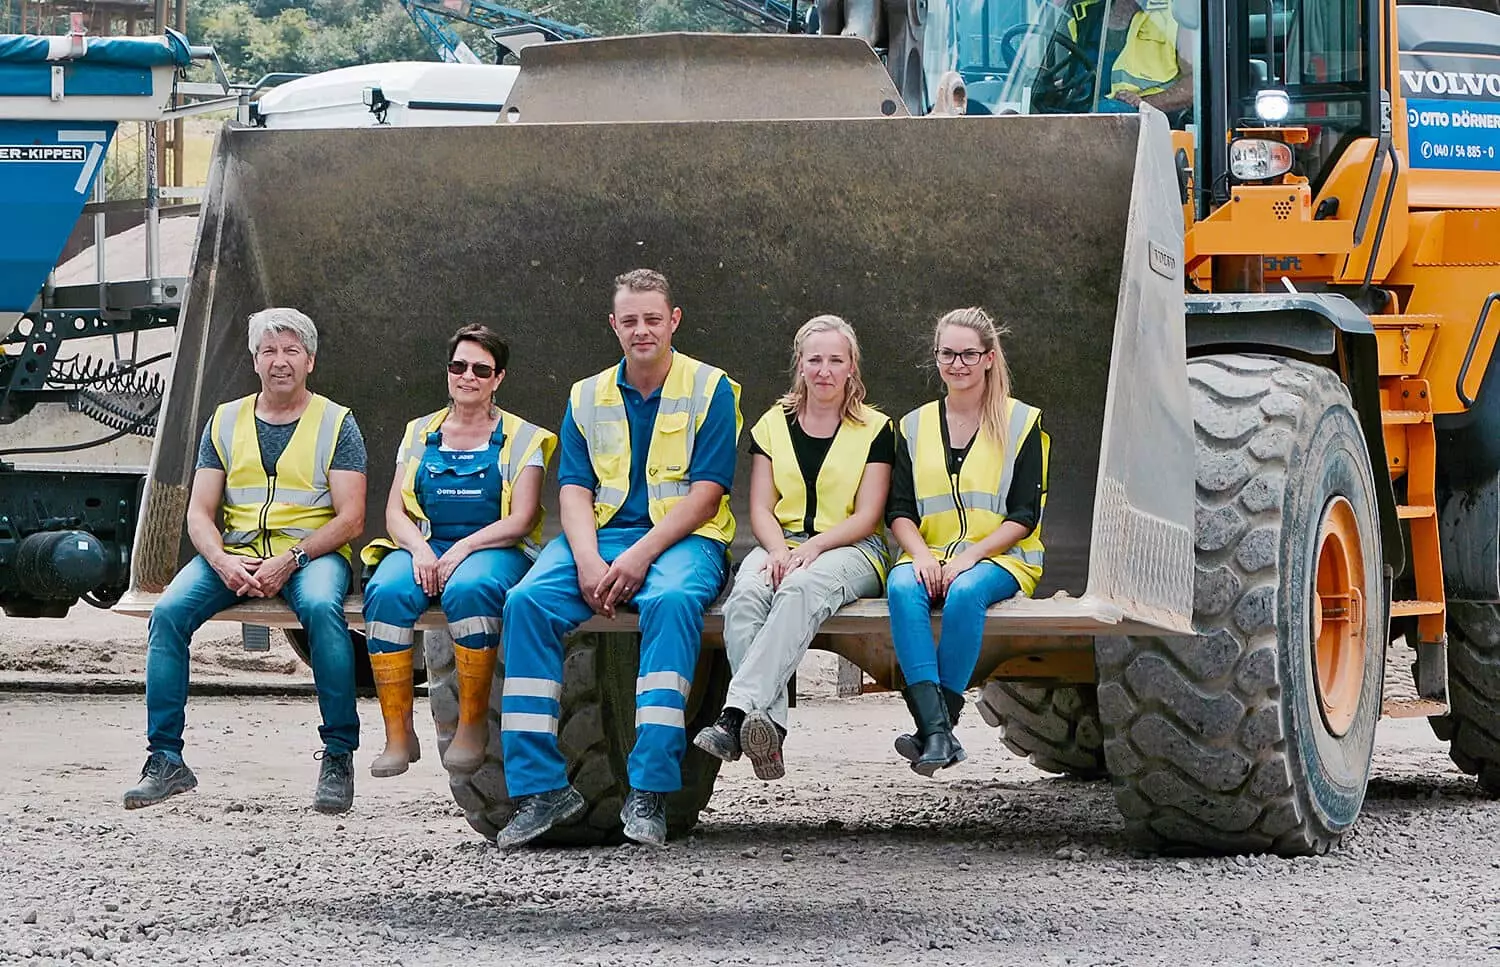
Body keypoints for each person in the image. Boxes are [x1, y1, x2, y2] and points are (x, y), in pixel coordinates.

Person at [493, 269, 742, 850]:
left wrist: (638, 557)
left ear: (674, 320)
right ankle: (541, 789)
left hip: (685, 538)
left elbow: (707, 495)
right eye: (630, 320)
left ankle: (649, 789)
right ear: (613, 325)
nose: (641, 330)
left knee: (672, 601)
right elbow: (574, 489)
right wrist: (585, 559)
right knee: (527, 602)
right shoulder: (586, 394)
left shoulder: (711, 388)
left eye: (653, 318)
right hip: (600, 538)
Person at [124, 307, 367, 813]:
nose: (280, 361)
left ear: (310, 361)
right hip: (236, 551)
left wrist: (291, 558)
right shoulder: (225, 420)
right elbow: (199, 512)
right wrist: (220, 560)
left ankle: (338, 755)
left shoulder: (337, 422)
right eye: (269, 351)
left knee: (321, 610)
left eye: (291, 351)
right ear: (255, 361)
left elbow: (351, 519)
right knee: (167, 614)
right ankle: (165, 760)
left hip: (311, 553)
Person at [692, 315, 893, 781]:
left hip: (853, 548)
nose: (824, 370)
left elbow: (867, 516)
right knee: (746, 596)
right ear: (800, 364)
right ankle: (770, 727)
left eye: (836, 360)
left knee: (799, 589)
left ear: (852, 366)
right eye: (815, 359)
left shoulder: (877, 428)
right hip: (781, 541)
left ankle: (735, 715)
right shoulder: (772, 424)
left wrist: (812, 549)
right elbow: (761, 508)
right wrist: (779, 550)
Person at [359, 324, 557, 778]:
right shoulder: (418, 432)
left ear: (498, 378)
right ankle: (397, 733)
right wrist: (419, 550)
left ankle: (471, 725)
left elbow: (522, 519)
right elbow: (393, 513)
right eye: (458, 366)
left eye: (481, 370)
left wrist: (462, 549)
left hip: (494, 548)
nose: (467, 376)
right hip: (427, 545)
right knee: (386, 591)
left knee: (470, 590)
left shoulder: (524, 437)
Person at [885, 307, 1049, 777]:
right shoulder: (912, 426)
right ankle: (938, 734)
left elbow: (1024, 516)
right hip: (929, 551)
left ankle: (938, 728)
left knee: (965, 592)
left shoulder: (1021, 422)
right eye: (947, 354)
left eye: (968, 354)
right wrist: (920, 555)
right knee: (902, 588)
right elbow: (899, 511)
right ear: (936, 356)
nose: (957, 364)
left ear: (989, 358)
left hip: (1002, 557)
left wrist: (970, 558)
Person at [1094, 0, 1195, 115]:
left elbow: (1193, 85)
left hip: (1151, 118)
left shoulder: (1177, 15)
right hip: (1089, 111)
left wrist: (1143, 103)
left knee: (1106, 109)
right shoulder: (1089, 14)